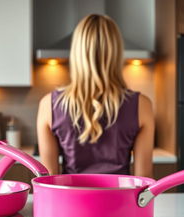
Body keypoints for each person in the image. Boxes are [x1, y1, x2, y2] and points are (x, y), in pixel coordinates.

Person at [37, 14, 154, 178]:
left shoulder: (48, 104)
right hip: (119, 202)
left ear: (76, 52)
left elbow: (48, 181)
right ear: (116, 52)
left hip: (69, 202)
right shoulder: (142, 105)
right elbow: (144, 182)